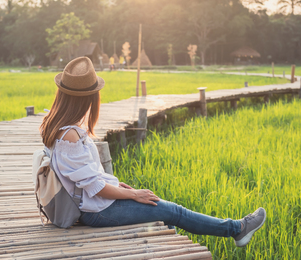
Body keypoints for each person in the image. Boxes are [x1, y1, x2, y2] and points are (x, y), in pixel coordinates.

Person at [40, 57, 266, 247]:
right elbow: (94, 187)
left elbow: (85, 179)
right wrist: (134, 194)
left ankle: (230, 230)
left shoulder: (56, 124)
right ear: (88, 98)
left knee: (163, 212)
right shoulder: (70, 135)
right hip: (96, 211)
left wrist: (119, 186)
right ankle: (237, 229)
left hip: (95, 204)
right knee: (172, 211)